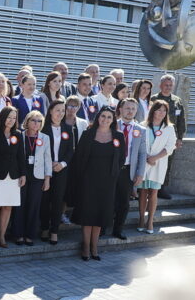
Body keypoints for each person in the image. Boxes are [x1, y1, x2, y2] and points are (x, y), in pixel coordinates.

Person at [69, 107, 126, 261]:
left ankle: (95, 246)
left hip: (107, 181)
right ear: (97, 117)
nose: (105, 119)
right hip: (88, 180)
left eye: (109, 117)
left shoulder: (118, 136)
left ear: (113, 119)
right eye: (103, 116)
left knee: (101, 213)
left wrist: (114, 174)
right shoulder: (87, 134)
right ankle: (86, 246)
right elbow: (78, 157)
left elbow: (122, 158)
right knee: (88, 212)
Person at [106, 98, 147, 240]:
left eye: (133, 109)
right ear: (121, 109)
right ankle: (102, 227)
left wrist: (140, 173)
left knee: (124, 203)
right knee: (107, 199)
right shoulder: (111, 125)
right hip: (110, 169)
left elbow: (142, 154)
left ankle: (118, 229)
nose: (130, 111)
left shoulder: (141, 130)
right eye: (127, 108)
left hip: (128, 170)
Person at [0, 106, 26, 248]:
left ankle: (2, 234)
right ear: (3, 117)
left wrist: (23, 174)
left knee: (8, 207)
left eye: (14, 118)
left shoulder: (18, 134)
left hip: (13, 176)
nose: (11, 120)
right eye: (9, 117)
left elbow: (21, 156)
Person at [12, 110, 52, 246]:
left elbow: (48, 159)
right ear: (27, 121)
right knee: (20, 205)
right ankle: (18, 234)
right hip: (21, 175)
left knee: (33, 205)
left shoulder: (45, 138)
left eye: (39, 121)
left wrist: (47, 179)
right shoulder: (19, 135)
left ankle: (29, 235)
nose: (36, 123)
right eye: (33, 120)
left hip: (38, 176)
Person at [138, 100, 177, 234]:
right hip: (145, 162)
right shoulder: (143, 125)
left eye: (164, 110)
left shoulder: (169, 128)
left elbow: (170, 147)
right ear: (153, 110)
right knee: (143, 191)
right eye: (159, 109)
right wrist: (147, 157)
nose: (161, 113)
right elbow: (139, 144)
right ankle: (141, 219)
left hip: (158, 163)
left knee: (153, 192)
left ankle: (150, 221)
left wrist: (154, 157)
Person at [38, 99, 74, 244]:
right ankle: (44, 228)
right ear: (51, 111)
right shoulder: (43, 128)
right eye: (57, 110)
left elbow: (70, 151)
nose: (60, 113)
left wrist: (62, 164)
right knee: (45, 201)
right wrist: (49, 163)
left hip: (61, 170)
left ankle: (54, 231)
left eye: (63, 110)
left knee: (58, 201)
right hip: (45, 170)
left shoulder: (67, 129)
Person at [150, 74, 186, 199]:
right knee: (151, 160)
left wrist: (180, 138)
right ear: (160, 85)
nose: (168, 87)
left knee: (167, 162)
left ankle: (162, 188)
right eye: (166, 85)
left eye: (170, 85)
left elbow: (181, 120)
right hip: (155, 134)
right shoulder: (154, 99)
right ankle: (147, 187)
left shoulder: (177, 101)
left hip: (171, 137)